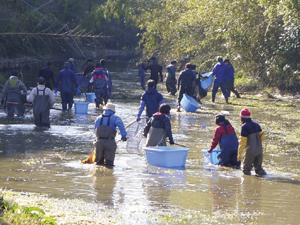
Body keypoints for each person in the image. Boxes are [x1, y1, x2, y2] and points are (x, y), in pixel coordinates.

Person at [237, 108, 267, 176]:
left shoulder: (244, 127)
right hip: (259, 150)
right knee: (258, 169)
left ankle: (247, 185)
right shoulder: (257, 125)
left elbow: (243, 142)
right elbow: (263, 137)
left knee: (246, 170)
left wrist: (240, 154)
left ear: (242, 118)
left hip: (250, 152)